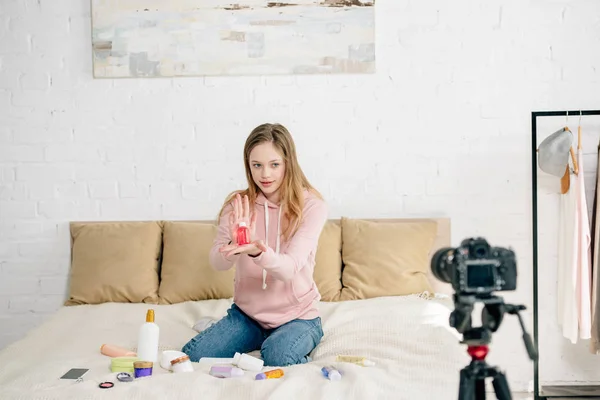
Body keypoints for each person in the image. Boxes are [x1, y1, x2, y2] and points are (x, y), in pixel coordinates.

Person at [181, 122, 328, 367]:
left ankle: (289, 339)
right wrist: (234, 243)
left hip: (297, 317)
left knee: (277, 356)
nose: (265, 175)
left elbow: (289, 268)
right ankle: (255, 337)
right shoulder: (238, 206)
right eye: (256, 165)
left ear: (288, 162)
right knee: (195, 355)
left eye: (274, 165)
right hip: (248, 316)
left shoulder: (312, 206)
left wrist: (258, 252)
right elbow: (217, 263)